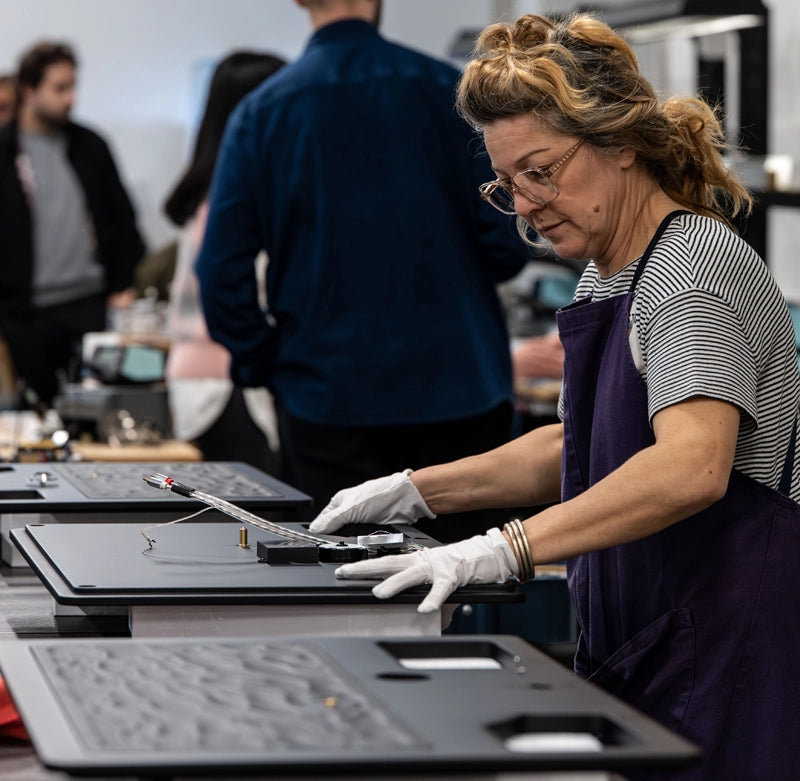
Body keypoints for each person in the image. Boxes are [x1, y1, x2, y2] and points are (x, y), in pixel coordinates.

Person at [309, 12, 800, 780]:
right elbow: (577, 445)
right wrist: (414, 490)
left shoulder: (690, 272)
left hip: (730, 646)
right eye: (507, 185)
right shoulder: (611, 271)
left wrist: (507, 546)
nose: (527, 204)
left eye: (541, 171)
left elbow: (692, 467)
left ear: (620, 143)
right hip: (652, 635)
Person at [195, 0, 530, 537]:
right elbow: (508, 240)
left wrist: (268, 364)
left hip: (327, 400)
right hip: (459, 389)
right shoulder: (451, 93)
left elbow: (219, 271)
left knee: (341, 573)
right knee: (465, 572)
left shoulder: (263, 111)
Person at [0, 41, 145, 405]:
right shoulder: (4, 150)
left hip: (90, 304)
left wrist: (124, 283)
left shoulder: (90, 146)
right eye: (59, 88)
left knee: (101, 406)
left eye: (72, 86)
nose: (70, 98)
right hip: (26, 313)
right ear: (29, 91)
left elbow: (121, 218)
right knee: (38, 410)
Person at [163, 51, 286, 471]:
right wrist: (265, 360)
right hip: (230, 385)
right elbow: (232, 286)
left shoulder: (208, 187)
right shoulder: (237, 195)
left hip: (203, 376)